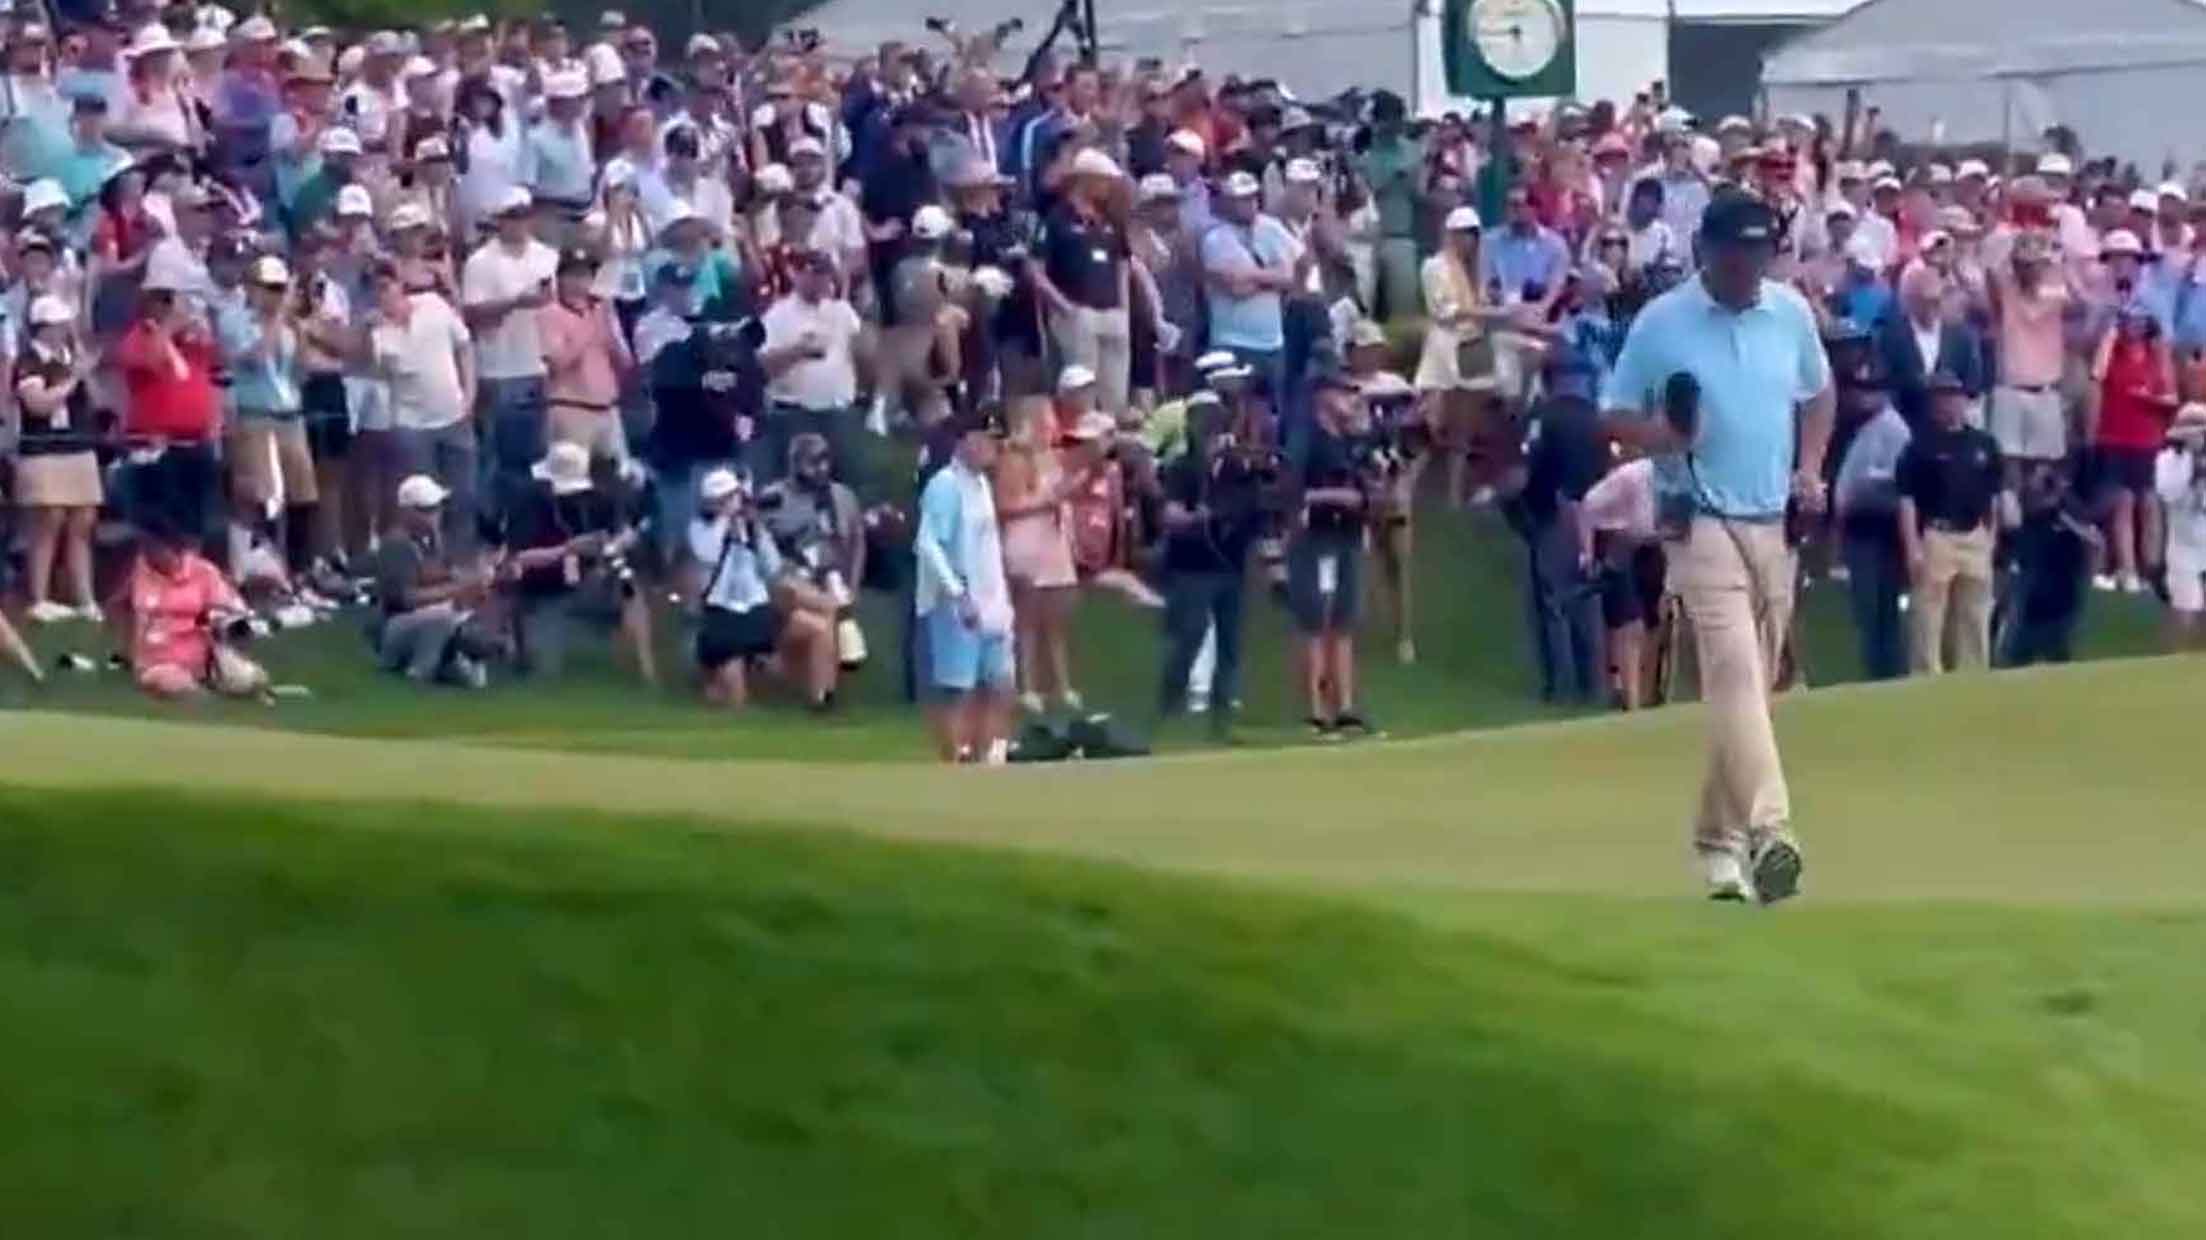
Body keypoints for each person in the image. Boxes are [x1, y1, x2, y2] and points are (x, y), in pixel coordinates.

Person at [1600, 190, 1834, 904]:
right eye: (1738, 255)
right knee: (1733, 674)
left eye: (1761, 254)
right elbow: (1611, 415)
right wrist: (1662, 440)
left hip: (1772, 522)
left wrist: (1812, 469)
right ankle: (1773, 833)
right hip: (1697, 519)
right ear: (1709, 250)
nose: (1749, 268)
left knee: (1754, 691)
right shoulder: (1663, 321)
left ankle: (1717, 844)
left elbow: (1818, 395)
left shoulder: (1789, 312)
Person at [494, 441, 657, 685]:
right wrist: (566, 550)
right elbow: (515, 560)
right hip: (540, 589)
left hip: (586, 578)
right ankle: (512, 646)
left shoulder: (596, 500)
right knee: (542, 670)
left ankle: (647, 671)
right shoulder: (529, 504)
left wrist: (612, 547)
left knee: (631, 588)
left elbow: (621, 534)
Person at [914, 405, 1018, 764]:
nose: (993, 449)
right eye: (987, 441)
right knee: (958, 687)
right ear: (966, 441)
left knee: (1000, 681)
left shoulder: (982, 485)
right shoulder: (945, 485)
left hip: (991, 599)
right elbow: (928, 543)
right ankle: (954, 757)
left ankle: (989, 752)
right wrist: (958, 594)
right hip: (956, 602)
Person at [686, 467, 839, 709]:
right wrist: (726, 521)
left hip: (756, 613)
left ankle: (821, 700)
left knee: (816, 629)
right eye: (728, 498)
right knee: (735, 701)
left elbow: (772, 567)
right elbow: (709, 554)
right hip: (722, 618)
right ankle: (715, 684)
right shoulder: (700, 528)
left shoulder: (751, 527)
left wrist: (755, 531)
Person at [1155, 394, 1263, 739]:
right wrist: (1194, 519)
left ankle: (1223, 712)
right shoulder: (1182, 468)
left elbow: (1254, 509)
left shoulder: (1237, 470)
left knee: (1231, 641)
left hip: (1230, 564)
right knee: (1191, 633)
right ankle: (1170, 702)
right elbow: (1169, 515)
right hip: (1192, 566)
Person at [1896, 370, 2004, 675]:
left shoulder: (1984, 444)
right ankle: (1926, 672)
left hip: (1974, 534)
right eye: (1941, 397)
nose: (1948, 403)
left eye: (1952, 396)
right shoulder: (1919, 447)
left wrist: (1991, 535)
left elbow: (1993, 494)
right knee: (1928, 612)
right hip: (1937, 533)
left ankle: (1973, 672)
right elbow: (1907, 500)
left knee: (1975, 612)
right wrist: (1913, 546)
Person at [1287, 368, 1376, 739]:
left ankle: (1345, 707)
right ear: (1322, 396)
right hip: (1316, 538)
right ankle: (1315, 710)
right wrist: (1337, 497)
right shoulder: (1306, 441)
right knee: (1315, 623)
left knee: (1343, 623)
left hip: (1347, 535)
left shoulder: (1349, 441)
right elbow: (1290, 493)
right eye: (1342, 392)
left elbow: (1366, 487)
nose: (1350, 400)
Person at [369, 259, 479, 549]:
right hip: (412, 425)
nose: (383, 295)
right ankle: (428, 561)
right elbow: (375, 370)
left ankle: (463, 562)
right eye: (376, 290)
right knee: (420, 502)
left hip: (454, 415)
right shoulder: (377, 334)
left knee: (464, 496)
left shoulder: (433, 304)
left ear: (400, 285)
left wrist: (469, 393)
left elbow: (465, 345)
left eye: (387, 286)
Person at [462, 185, 560, 484]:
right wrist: (516, 302)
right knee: (497, 458)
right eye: (511, 216)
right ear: (499, 220)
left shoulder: (548, 256)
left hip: (540, 366)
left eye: (523, 215)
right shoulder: (480, 261)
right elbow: (473, 314)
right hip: (498, 370)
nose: (518, 222)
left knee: (540, 457)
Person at [1515, 388, 1606, 703]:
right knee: (1587, 599)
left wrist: (1530, 508)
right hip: (1594, 509)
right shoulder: (1592, 413)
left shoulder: (1543, 418)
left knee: (1553, 604)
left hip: (1555, 512)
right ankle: (1593, 684)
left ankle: (1561, 686)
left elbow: (1533, 465)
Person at [1831, 348, 1914, 681]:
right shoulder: (1863, 429)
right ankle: (1881, 674)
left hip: (1879, 532)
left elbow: (1896, 483)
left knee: (1880, 611)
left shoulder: (1893, 428)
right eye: (1859, 390)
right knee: (1870, 612)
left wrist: (1860, 491)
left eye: (1871, 390)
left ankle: (1888, 675)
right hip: (1861, 532)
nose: (1862, 397)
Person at [372, 474, 500, 688]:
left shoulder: (431, 539)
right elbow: (405, 599)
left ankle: (461, 656)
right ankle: (420, 671)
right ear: (406, 512)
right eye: (427, 509)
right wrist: (458, 588)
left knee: (467, 621)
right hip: (395, 628)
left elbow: (437, 573)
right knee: (443, 617)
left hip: (427, 624)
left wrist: (473, 580)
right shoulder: (396, 544)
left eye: (437, 507)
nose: (435, 514)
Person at [125, 520, 271, 702]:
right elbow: (121, 610)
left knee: (254, 680)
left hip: (205, 659)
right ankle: (210, 703)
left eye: (154, 548)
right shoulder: (140, 571)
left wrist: (220, 624)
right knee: (170, 682)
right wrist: (133, 654)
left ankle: (218, 686)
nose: (149, 554)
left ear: (173, 548)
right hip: (157, 662)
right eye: (145, 547)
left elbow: (235, 613)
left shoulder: (203, 573)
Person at [1037, 148, 1133, 417]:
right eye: (1103, 180)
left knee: (1116, 396)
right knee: (1082, 392)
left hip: (1112, 312)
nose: (1108, 187)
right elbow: (1036, 270)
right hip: (1078, 312)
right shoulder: (1057, 218)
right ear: (1086, 179)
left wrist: (1124, 307)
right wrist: (1064, 307)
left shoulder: (1109, 218)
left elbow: (1123, 263)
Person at [758, 247, 868, 481]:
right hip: (796, 414)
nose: (821, 280)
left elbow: (864, 351)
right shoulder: (778, 315)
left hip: (838, 411)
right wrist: (798, 351)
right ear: (797, 275)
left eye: (825, 274)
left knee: (844, 481)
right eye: (814, 274)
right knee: (799, 483)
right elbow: (761, 367)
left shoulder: (842, 311)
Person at [2087, 303, 2175, 593]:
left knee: (2148, 502)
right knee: (2121, 502)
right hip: (2114, 436)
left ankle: (2150, 569)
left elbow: (2170, 397)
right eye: (2127, 321)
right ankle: (2128, 569)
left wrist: (2149, 398)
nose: (2133, 326)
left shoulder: (2156, 356)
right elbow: (2097, 374)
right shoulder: (2114, 352)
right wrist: (2109, 336)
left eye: (2139, 321)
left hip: (2146, 439)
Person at [1576, 454, 1664, 709]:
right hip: (1619, 542)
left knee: (1653, 620)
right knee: (1629, 624)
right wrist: (1588, 554)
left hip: (1651, 545)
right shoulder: (1631, 477)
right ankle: (1631, 698)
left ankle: (1649, 691)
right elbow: (1588, 505)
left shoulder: (1679, 479)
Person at [539, 246, 634, 466]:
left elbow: (625, 362)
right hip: (571, 410)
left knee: (618, 479)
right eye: (572, 275)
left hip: (609, 411)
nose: (579, 282)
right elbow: (557, 363)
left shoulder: (603, 311)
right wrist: (589, 326)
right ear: (560, 278)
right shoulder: (549, 314)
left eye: (585, 275)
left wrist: (610, 328)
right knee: (573, 481)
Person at [2153, 403, 2206, 647]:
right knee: (2185, 607)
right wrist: (2192, 471)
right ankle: (2172, 659)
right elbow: (2169, 494)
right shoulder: (2167, 461)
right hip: (2183, 544)